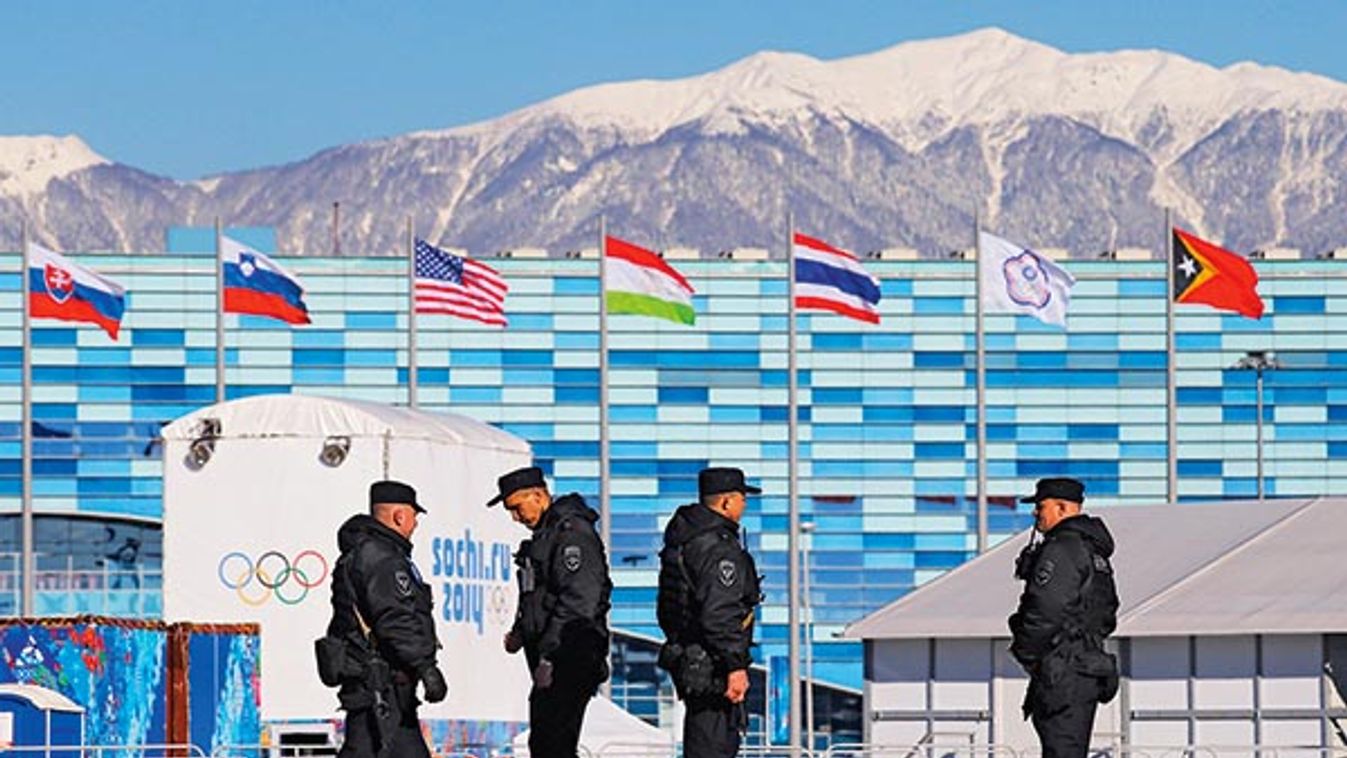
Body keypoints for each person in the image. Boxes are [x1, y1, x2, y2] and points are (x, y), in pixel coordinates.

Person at [488, 466, 612, 758]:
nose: (516, 518)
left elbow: (579, 600)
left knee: (553, 744)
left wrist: (550, 655)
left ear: (539, 495)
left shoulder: (571, 535)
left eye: (518, 508)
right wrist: (521, 631)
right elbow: (538, 593)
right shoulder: (547, 536)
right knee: (546, 744)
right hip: (551, 657)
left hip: (568, 656)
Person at [323, 480, 447, 758]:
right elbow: (395, 617)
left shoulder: (364, 554)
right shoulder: (383, 559)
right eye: (414, 517)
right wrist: (426, 667)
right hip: (381, 685)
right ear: (400, 516)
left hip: (375, 684)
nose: (415, 525)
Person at [1008, 477, 1121, 758]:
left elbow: (1045, 609)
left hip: (1064, 670)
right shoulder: (1092, 551)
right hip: (1083, 666)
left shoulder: (1063, 549)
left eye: (1041, 506)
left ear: (1061, 508)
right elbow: (1107, 613)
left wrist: (1027, 653)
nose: (1036, 513)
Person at [656, 467, 763, 758]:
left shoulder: (685, 540)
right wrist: (734, 665)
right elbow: (719, 612)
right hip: (712, 667)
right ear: (726, 502)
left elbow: (669, 607)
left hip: (691, 659)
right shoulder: (718, 548)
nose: (745, 506)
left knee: (703, 742)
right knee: (714, 745)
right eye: (742, 499)